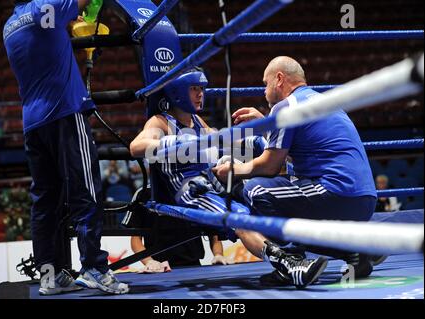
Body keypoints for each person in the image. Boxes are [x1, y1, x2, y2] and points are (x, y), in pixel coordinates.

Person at [130, 69, 328, 288]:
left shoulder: (197, 121)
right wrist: (174, 143)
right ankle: (289, 265)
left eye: (201, 89)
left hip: (213, 182)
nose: (200, 94)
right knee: (239, 218)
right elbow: (136, 147)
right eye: (194, 89)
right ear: (177, 93)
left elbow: (219, 143)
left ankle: (309, 253)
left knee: (262, 200)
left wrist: (257, 139)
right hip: (191, 190)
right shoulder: (160, 122)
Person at [213, 56, 382, 278]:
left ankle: (292, 262)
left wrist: (235, 169)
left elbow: (271, 166)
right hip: (364, 200)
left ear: (279, 79)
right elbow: (295, 148)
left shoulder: (285, 107)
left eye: (266, 83)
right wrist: (266, 122)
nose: (264, 90)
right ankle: (354, 252)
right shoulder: (322, 101)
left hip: (335, 193)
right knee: (287, 189)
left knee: (256, 190)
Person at [3, 0, 128, 295]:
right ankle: (95, 267)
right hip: (64, 111)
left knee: (45, 200)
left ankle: (50, 274)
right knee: (86, 189)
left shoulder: (10, 25)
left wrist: (70, 27)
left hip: (33, 122)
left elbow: (48, 37)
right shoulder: (49, 5)